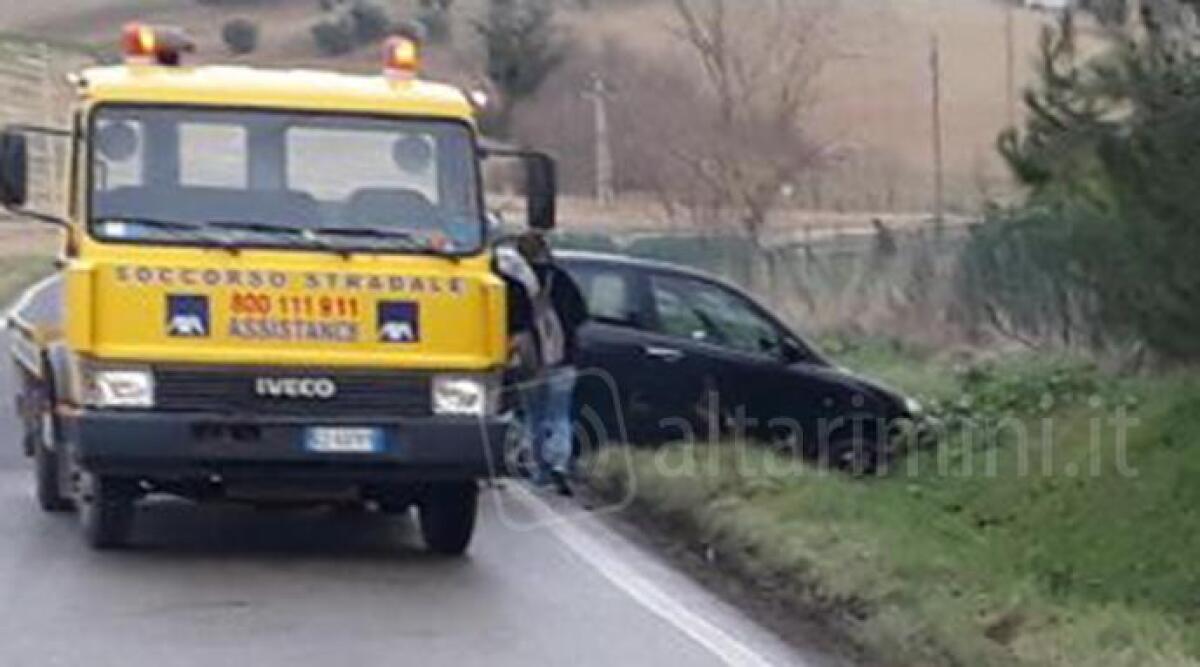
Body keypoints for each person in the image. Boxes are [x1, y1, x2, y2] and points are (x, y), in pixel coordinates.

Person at [501, 233, 588, 495]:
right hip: (563, 358)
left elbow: (508, 322)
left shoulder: (513, 284)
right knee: (560, 415)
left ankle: (540, 471)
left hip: (530, 361)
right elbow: (580, 315)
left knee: (534, 417)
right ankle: (560, 462)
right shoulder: (561, 279)